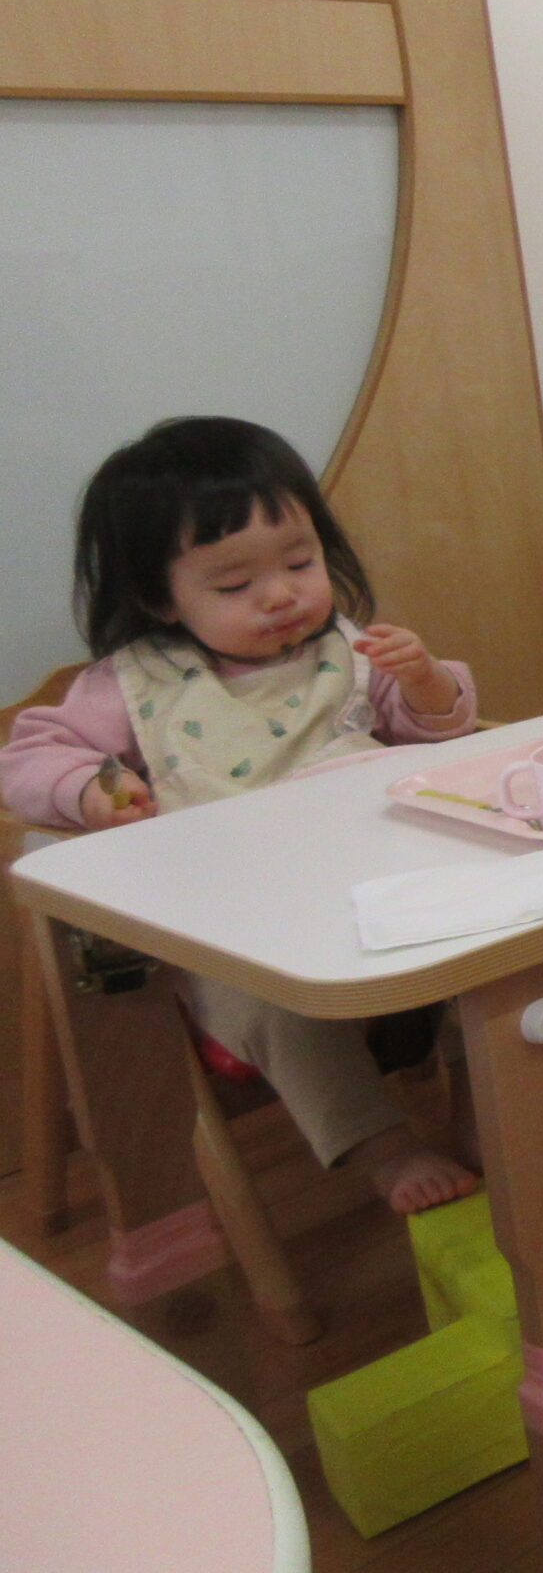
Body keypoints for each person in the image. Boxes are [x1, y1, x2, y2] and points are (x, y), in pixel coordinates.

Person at [1, 417, 484, 1213]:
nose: (281, 594)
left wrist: (425, 678)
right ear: (159, 596)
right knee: (275, 1012)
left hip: (389, 892)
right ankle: (380, 1145)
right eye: (233, 585)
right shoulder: (134, 683)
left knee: (495, 947)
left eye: (300, 562)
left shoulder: (347, 650)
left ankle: (482, 1104)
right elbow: (25, 759)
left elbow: (438, 728)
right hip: (244, 934)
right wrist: (90, 789)